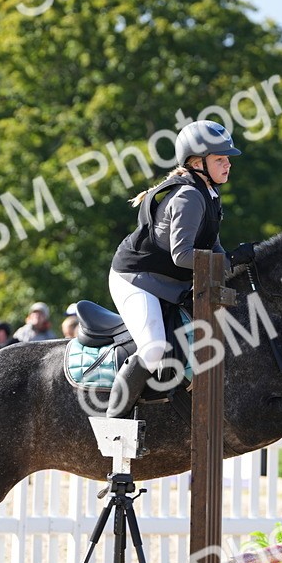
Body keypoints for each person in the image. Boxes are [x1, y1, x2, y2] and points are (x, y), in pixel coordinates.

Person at [105, 120, 252, 417]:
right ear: (198, 163)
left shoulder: (208, 193)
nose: (228, 164)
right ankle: (114, 419)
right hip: (136, 279)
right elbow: (182, 256)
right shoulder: (189, 196)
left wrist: (241, 262)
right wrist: (232, 260)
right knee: (153, 348)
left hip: (166, 283)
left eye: (227, 159)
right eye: (220, 159)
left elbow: (213, 248)